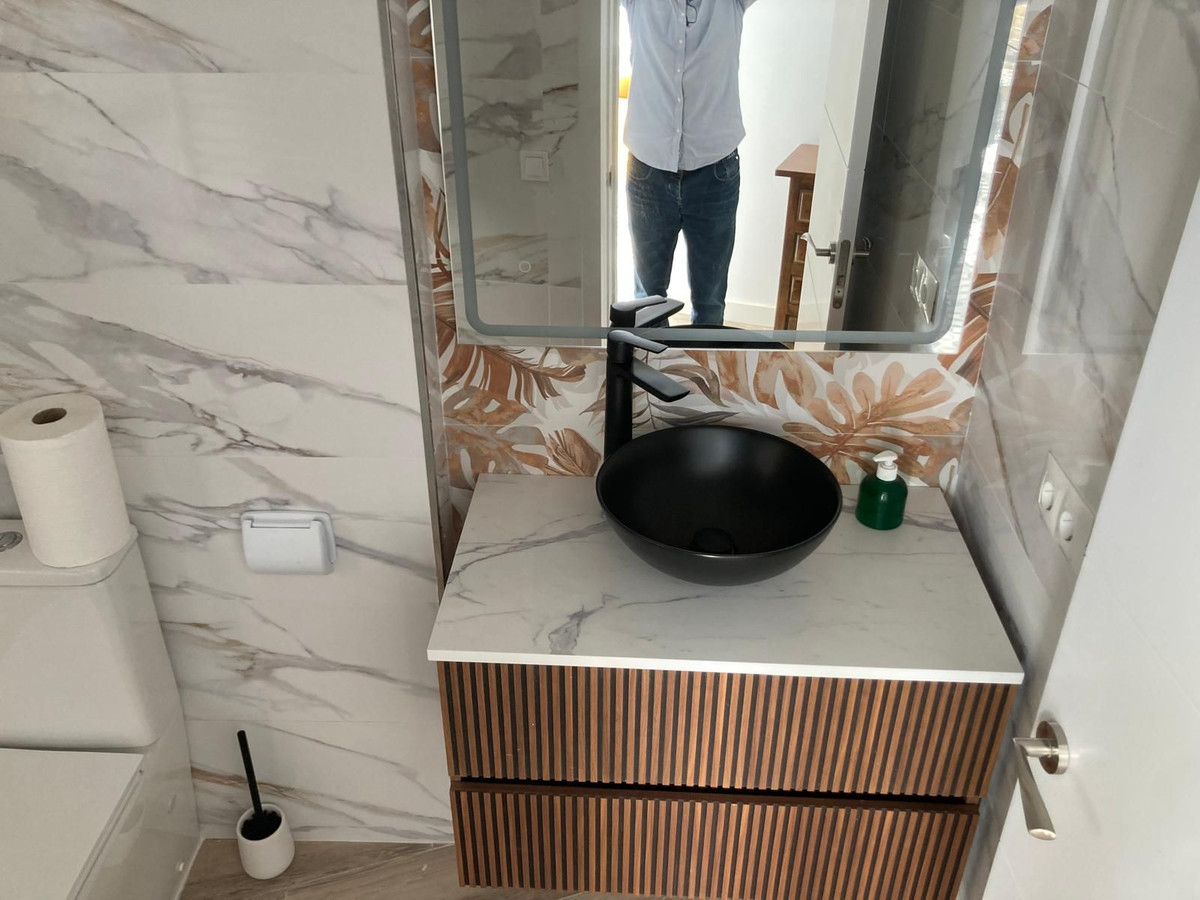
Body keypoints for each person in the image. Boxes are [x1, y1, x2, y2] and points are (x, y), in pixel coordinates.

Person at [622, 0, 757, 326]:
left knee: (710, 301)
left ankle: (704, 360)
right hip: (648, 171)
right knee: (648, 299)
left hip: (715, 172)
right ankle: (650, 359)